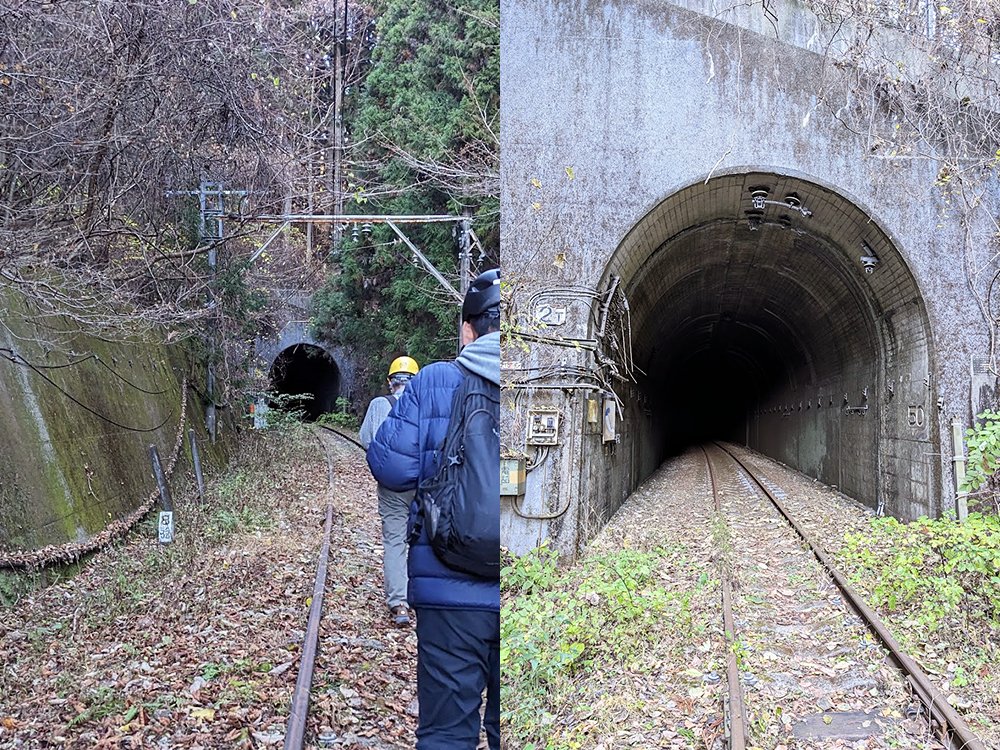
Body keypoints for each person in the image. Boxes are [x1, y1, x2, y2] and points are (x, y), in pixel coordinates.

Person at [367, 268, 500, 750]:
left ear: (468, 329)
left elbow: (389, 466)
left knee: (446, 734)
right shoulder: (546, 377)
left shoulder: (434, 382)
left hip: (448, 591)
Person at [359, 355, 420, 627]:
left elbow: (365, 439)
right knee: (421, 540)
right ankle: (424, 595)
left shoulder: (379, 405)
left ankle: (399, 603)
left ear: (390, 381)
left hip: (392, 486)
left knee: (395, 542)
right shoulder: (426, 405)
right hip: (421, 483)